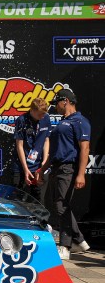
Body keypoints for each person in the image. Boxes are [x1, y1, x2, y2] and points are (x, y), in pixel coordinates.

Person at [41, 89, 90, 260]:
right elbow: (54, 151)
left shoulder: (80, 121)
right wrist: (42, 168)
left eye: (57, 103)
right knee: (59, 206)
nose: (55, 107)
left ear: (66, 101)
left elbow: (85, 148)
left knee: (62, 206)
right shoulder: (63, 122)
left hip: (68, 168)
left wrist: (81, 174)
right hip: (56, 167)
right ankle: (79, 241)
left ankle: (65, 246)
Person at [13, 97, 50, 203]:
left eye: (44, 114)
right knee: (18, 201)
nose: (42, 117)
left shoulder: (46, 118)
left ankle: (40, 220)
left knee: (38, 201)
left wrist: (44, 161)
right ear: (32, 111)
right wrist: (25, 169)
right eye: (39, 114)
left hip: (38, 166)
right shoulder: (22, 120)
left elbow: (46, 140)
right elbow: (19, 145)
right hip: (21, 167)